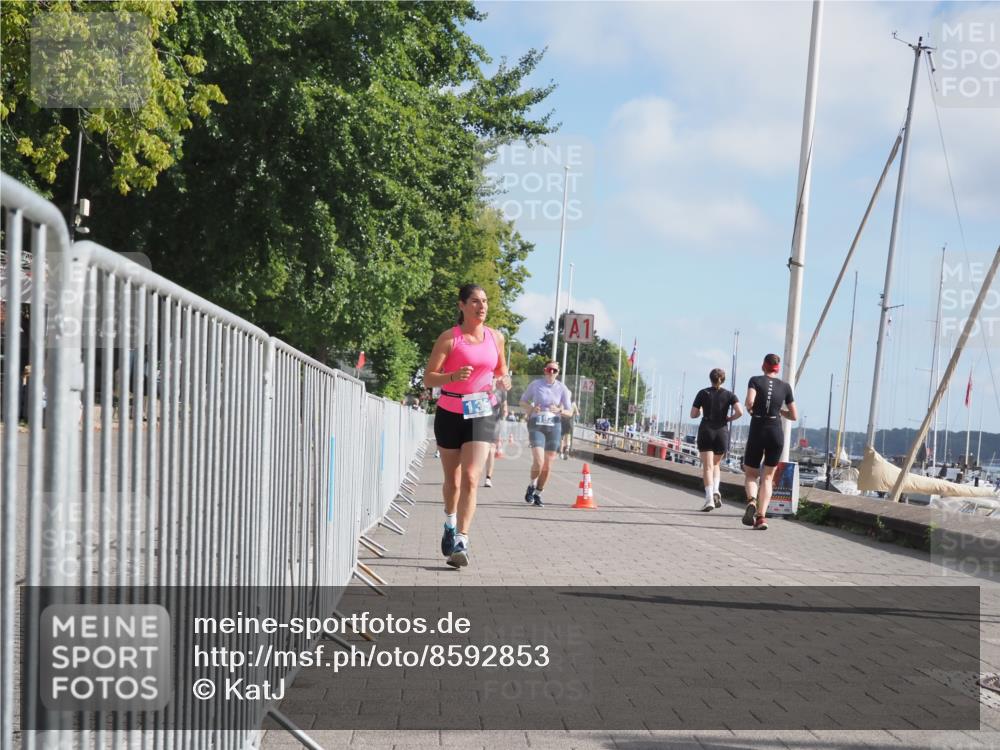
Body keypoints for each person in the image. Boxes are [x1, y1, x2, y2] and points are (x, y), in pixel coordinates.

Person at [423, 284, 510, 567]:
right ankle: (449, 522)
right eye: (475, 301)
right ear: (462, 305)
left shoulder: (496, 338)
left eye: (484, 301)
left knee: (472, 477)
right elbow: (429, 378)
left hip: (482, 411)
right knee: (453, 481)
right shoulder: (450, 339)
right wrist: (452, 376)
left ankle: (462, 539)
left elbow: (501, 372)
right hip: (450, 411)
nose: (481, 306)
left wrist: (504, 382)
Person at [742, 354, 798, 530]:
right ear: (777, 368)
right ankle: (761, 517)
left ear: (763, 366)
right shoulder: (786, 386)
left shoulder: (755, 380)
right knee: (767, 477)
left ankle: (751, 501)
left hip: (758, 428)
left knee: (751, 474)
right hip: (775, 431)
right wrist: (780, 412)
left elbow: (749, 401)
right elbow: (794, 415)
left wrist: (751, 409)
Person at [518, 361, 572, 506]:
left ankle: (538, 493)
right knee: (539, 461)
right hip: (537, 424)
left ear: (558, 372)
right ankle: (531, 485)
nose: (551, 373)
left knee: (548, 465)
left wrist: (560, 411)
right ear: (545, 370)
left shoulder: (562, 388)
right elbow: (522, 402)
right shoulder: (536, 384)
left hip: (554, 426)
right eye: (549, 369)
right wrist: (531, 408)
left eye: (555, 370)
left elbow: (570, 411)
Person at [690, 368, 744, 511]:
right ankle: (716, 490)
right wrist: (729, 418)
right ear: (723, 379)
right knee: (716, 465)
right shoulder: (730, 395)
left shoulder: (703, 393)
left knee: (707, 467)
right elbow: (740, 412)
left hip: (706, 430)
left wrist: (701, 410)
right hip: (721, 431)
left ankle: (709, 500)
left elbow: (693, 414)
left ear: (710, 379)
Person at [483, 380, 509, 488]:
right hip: (478, 421)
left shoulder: (501, 391)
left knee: (491, 450)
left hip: (494, 422)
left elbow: (505, 407)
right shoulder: (481, 386)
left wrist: (504, 411)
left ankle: (488, 478)